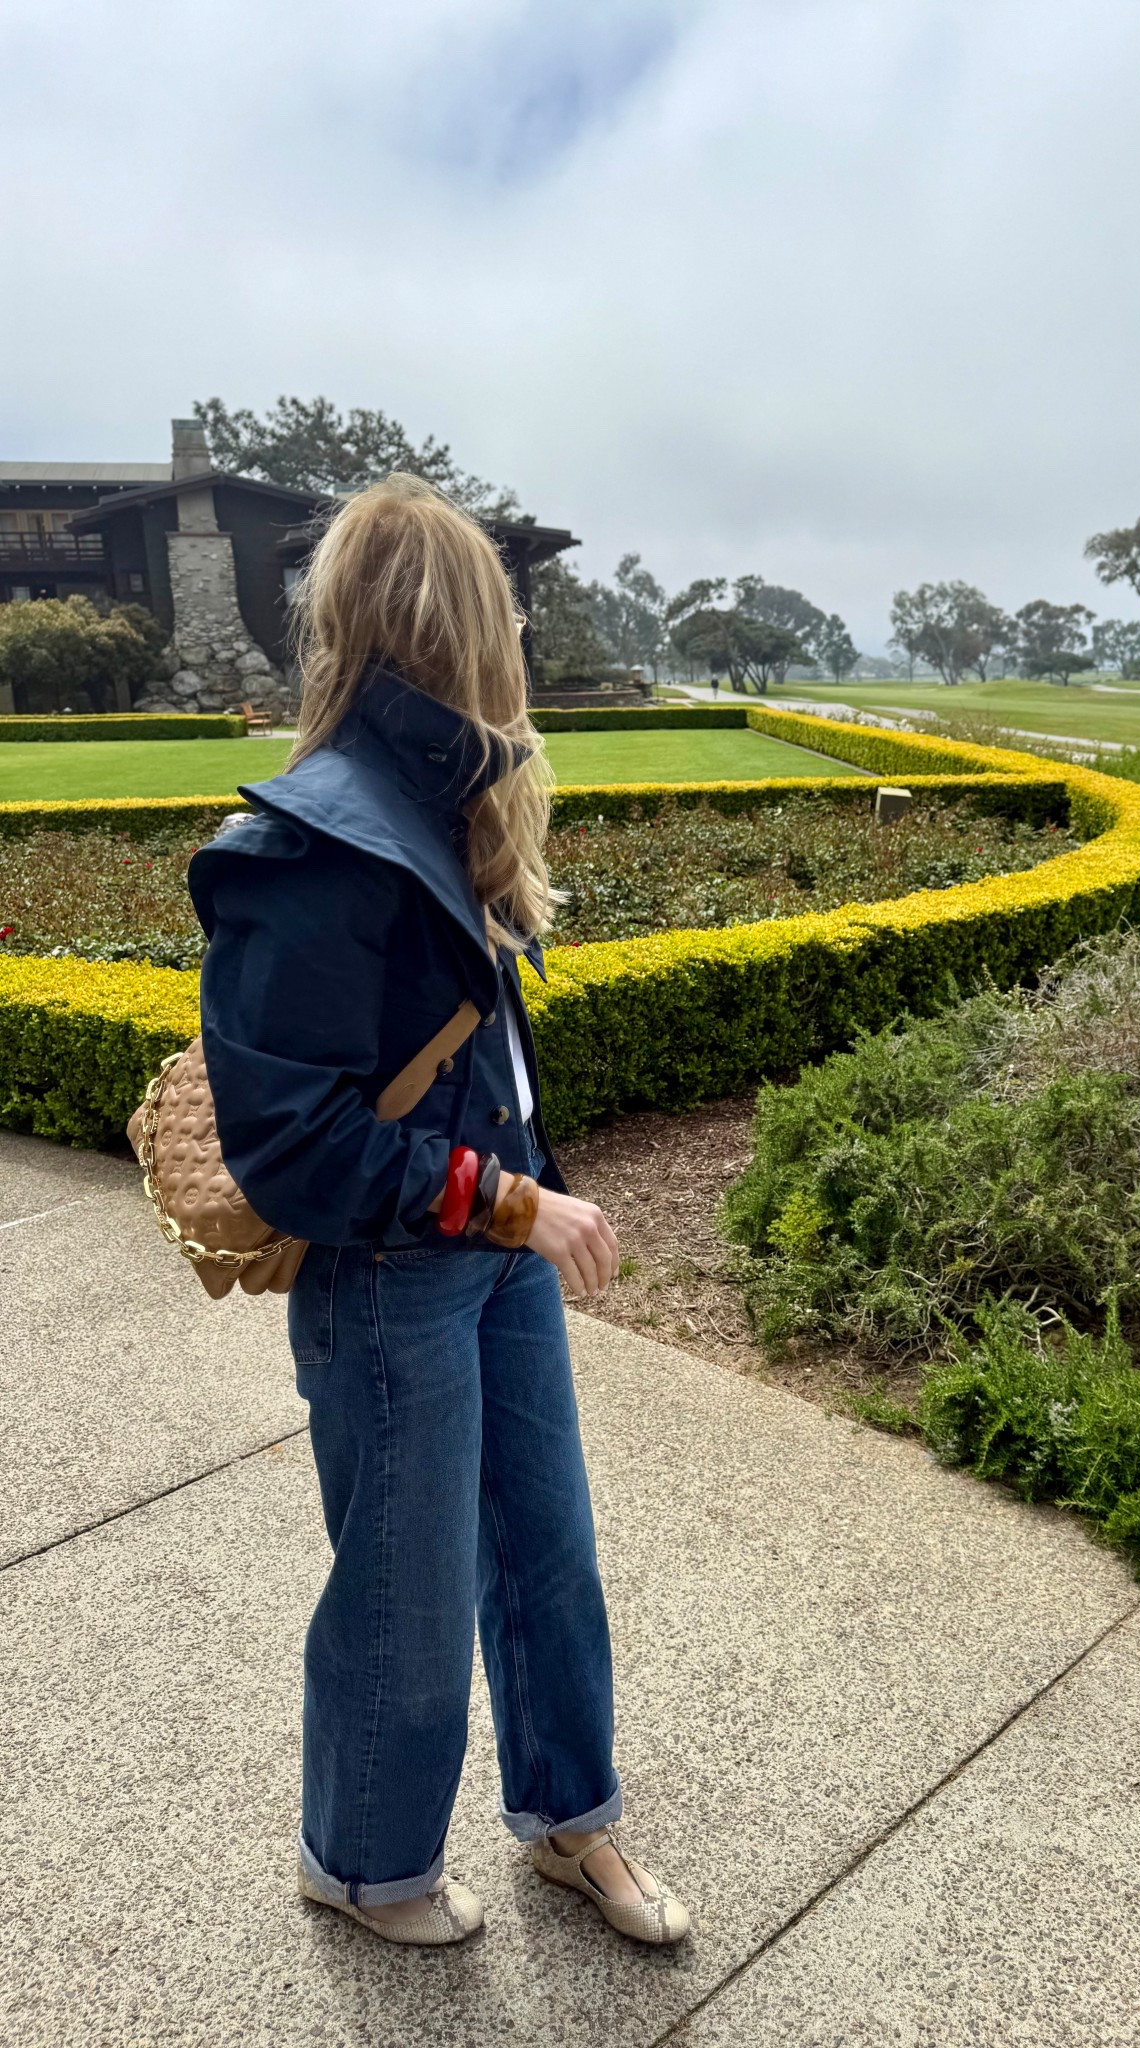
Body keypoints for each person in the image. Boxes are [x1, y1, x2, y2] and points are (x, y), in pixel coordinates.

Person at [188, 474, 690, 1950]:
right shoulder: (311, 840)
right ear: (452, 621)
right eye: (501, 613)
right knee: (404, 1595)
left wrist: (522, 1193)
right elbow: (295, 1143)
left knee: (549, 1557)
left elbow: (471, 1060)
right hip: (393, 1274)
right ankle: (362, 1865)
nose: (516, 640)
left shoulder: (443, 803)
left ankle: (572, 1821)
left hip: (489, 1251)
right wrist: (515, 1201)